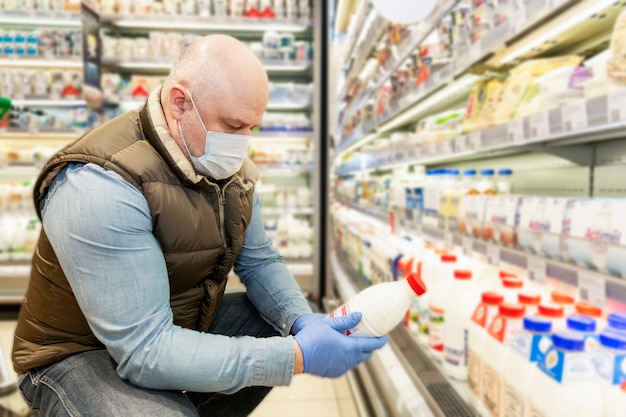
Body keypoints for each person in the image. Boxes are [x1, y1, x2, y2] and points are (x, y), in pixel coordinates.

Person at [11, 35, 387, 416]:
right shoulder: (98, 183)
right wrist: (296, 357)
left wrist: (300, 320)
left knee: (276, 321)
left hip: (170, 326)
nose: (241, 144)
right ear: (179, 103)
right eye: (232, 125)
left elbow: (259, 261)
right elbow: (145, 349)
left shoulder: (222, 164)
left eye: (251, 128)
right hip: (77, 352)